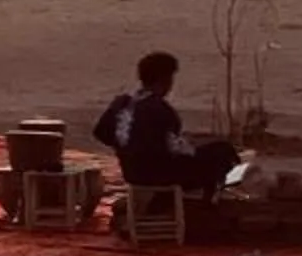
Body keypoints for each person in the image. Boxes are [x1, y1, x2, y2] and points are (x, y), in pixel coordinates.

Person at [92, 50, 243, 196]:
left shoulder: (122, 103)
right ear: (165, 79)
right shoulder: (159, 109)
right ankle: (208, 205)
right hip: (158, 174)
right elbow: (175, 148)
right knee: (222, 151)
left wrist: (125, 148)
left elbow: (101, 132)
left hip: (132, 173)